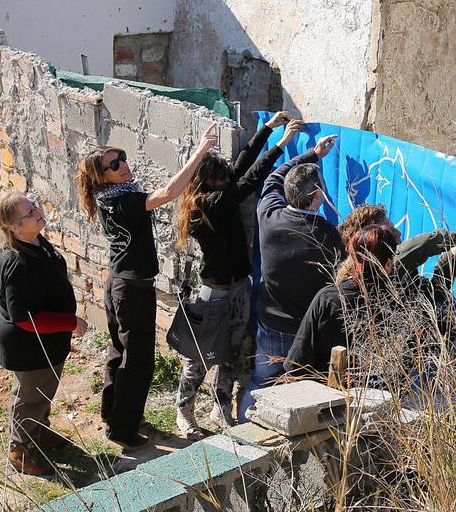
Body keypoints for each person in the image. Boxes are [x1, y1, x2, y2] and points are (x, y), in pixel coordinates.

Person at [76, 125, 218, 451]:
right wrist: (200, 151)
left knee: (119, 354)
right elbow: (169, 193)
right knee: (136, 361)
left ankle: (116, 418)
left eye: (121, 158)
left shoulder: (114, 197)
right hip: (131, 290)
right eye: (114, 165)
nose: (122, 165)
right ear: (102, 177)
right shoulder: (123, 201)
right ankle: (124, 432)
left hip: (119, 284)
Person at [172, 112, 304, 437]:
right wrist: (282, 145)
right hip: (214, 292)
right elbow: (247, 181)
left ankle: (221, 408)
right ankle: (184, 410)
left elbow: (240, 168)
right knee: (200, 356)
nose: (226, 180)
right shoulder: (207, 205)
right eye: (221, 179)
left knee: (232, 353)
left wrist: (266, 131)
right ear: (208, 183)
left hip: (239, 287)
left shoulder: (218, 192)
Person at [243, 129, 343, 418]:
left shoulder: (269, 215)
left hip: (270, 324)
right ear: (317, 196)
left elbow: (273, 178)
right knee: (300, 393)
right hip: (304, 332)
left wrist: (311, 153)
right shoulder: (327, 236)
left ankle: (243, 436)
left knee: (260, 384)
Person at [0, 190, 89, 477]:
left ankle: (38, 431)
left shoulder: (34, 241)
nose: (37, 212)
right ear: (14, 227)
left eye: (34, 206)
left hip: (45, 340)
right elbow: (24, 318)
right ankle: (21, 451)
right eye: (29, 213)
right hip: (29, 344)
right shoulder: (17, 263)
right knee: (30, 396)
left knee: (42, 391)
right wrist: (70, 322)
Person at [285, 221, 402, 381]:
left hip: (326, 393)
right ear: (388, 264)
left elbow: (296, 365)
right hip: (379, 395)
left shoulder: (329, 297)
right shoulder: (399, 301)